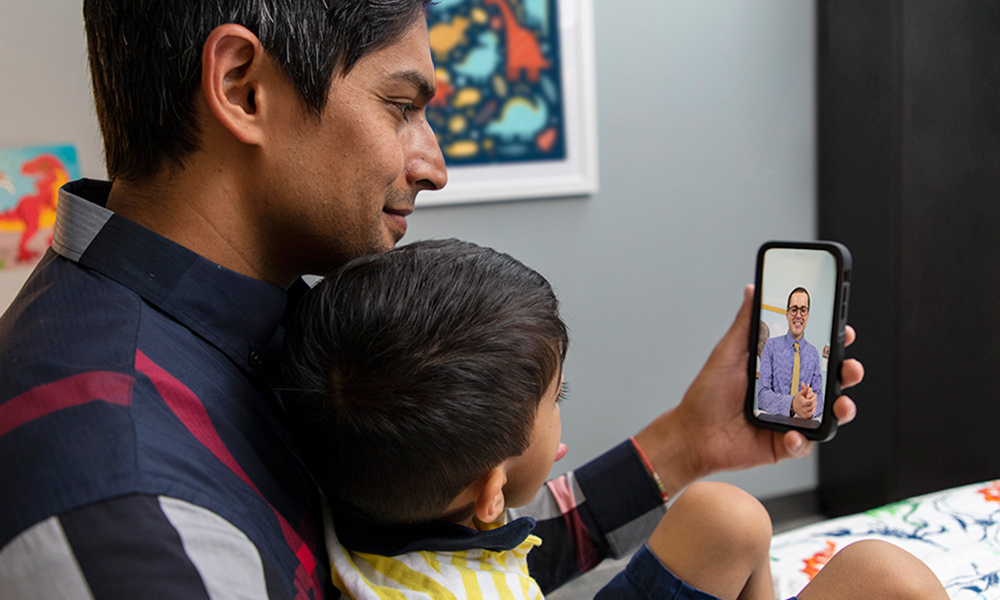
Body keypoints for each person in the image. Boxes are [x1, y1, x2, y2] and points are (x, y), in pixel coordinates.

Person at [0, 1, 923, 598]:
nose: (433, 162)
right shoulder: (123, 502)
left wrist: (689, 440)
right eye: (403, 107)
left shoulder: (259, 332)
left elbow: (438, 561)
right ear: (244, 87)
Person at [281, 239, 948, 600]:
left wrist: (692, 437)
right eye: (555, 400)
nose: (559, 421)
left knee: (724, 513)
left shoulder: (353, 485)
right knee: (890, 581)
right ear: (489, 494)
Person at [758, 287, 825, 420]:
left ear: (808, 315)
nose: (798, 315)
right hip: (774, 423)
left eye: (803, 310)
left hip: (803, 425)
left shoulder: (814, 354)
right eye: (794, 309)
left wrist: (811, 406)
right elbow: (762, 396)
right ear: (787, 314)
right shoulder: (771, 346)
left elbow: (820, 399)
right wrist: (793, 404)